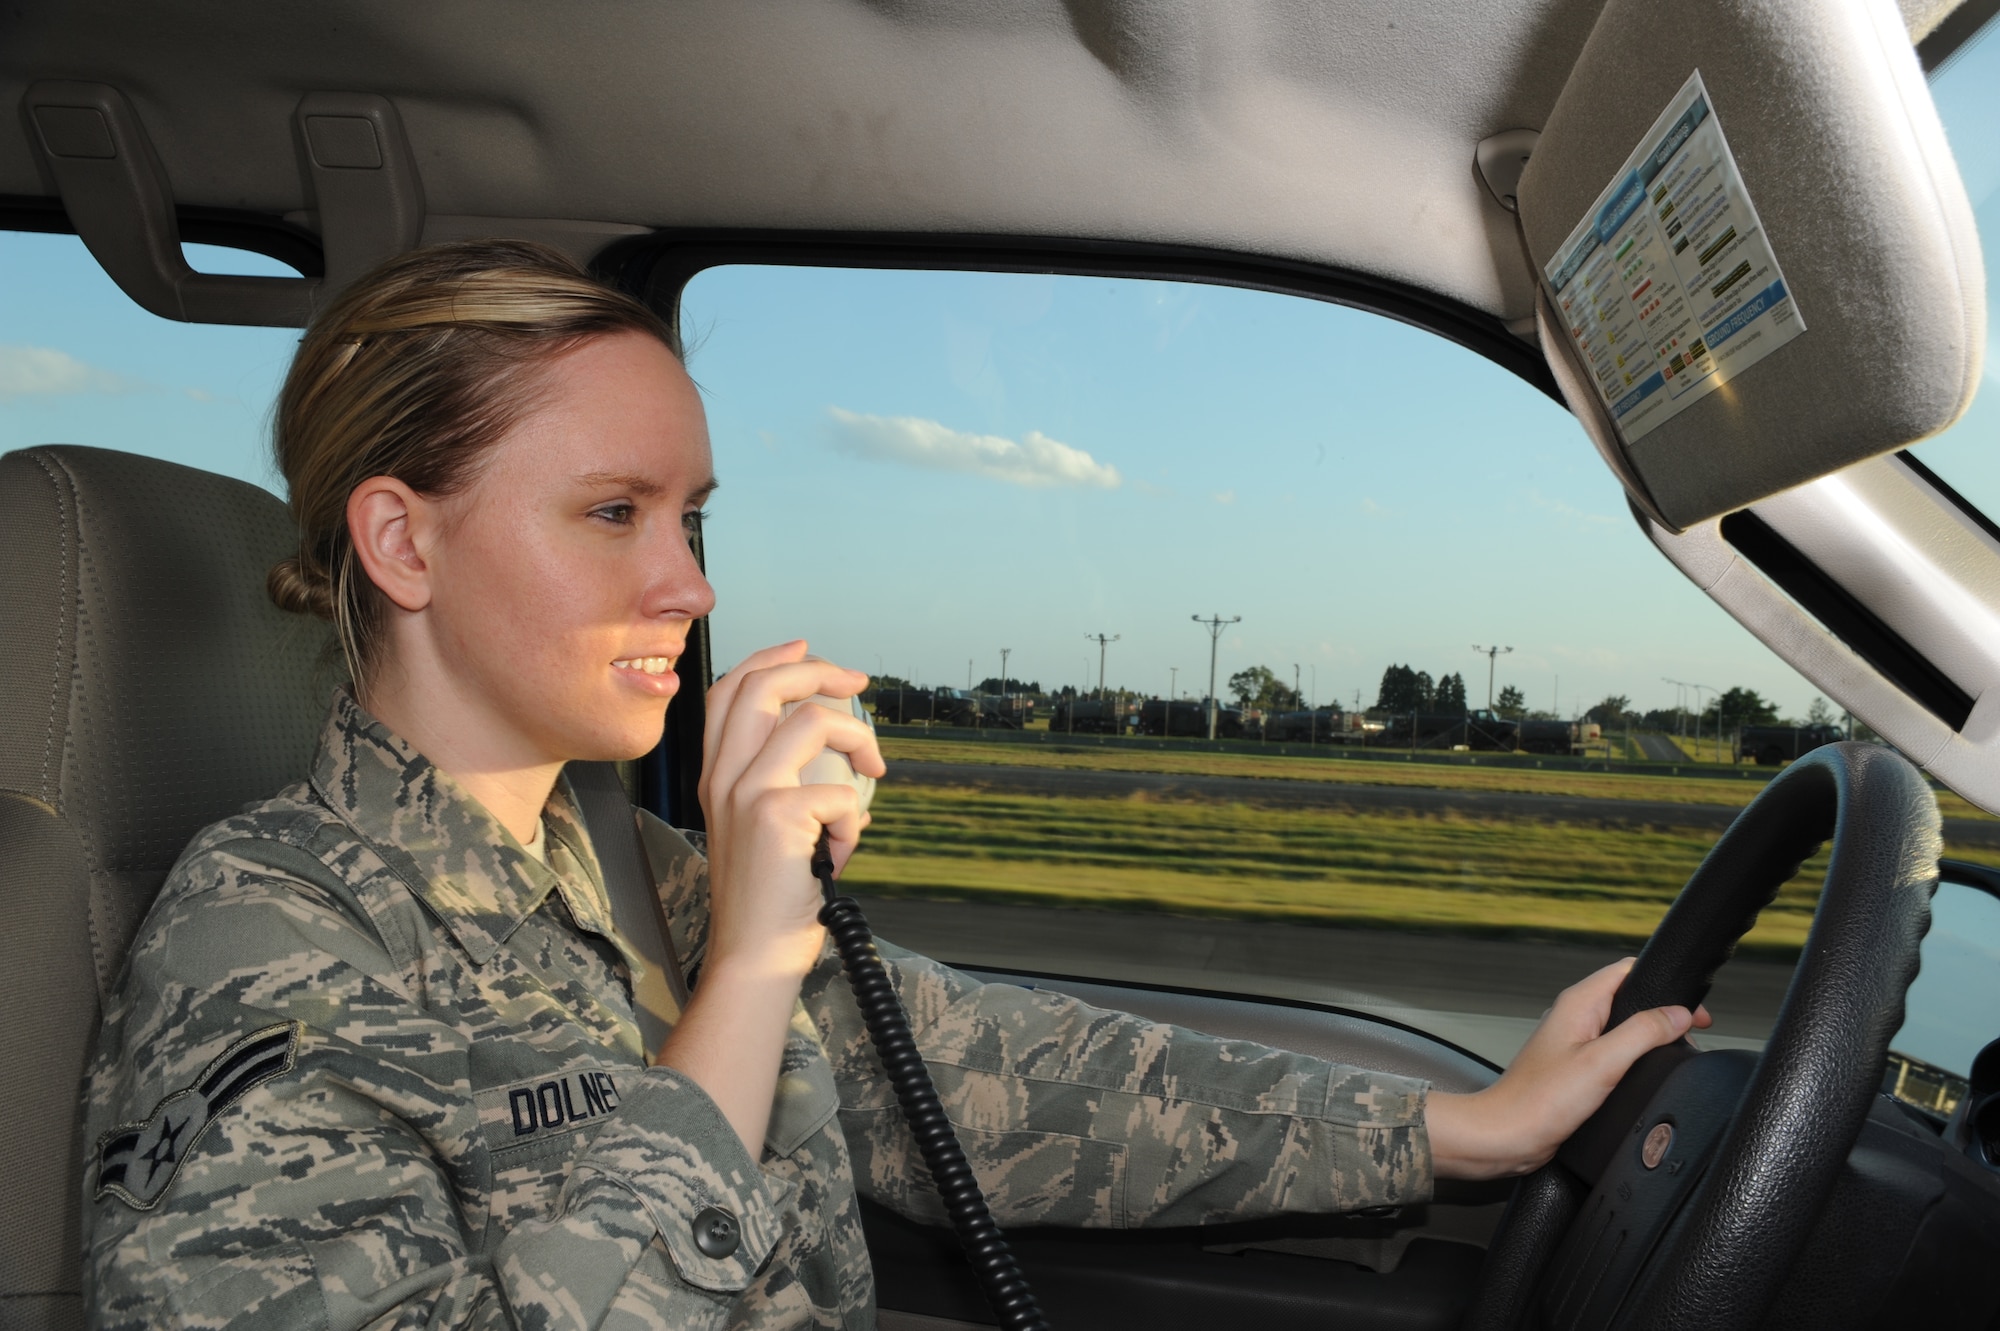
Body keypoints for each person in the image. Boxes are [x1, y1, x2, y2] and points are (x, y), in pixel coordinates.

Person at [81, 240, 1707, 1330]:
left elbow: (1006, 1077)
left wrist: (1461, 1129)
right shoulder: (261, 942)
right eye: (611, 515)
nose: (689, 585)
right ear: (402, 539)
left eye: (692, 517)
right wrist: (750, 981)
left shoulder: (627, 873)